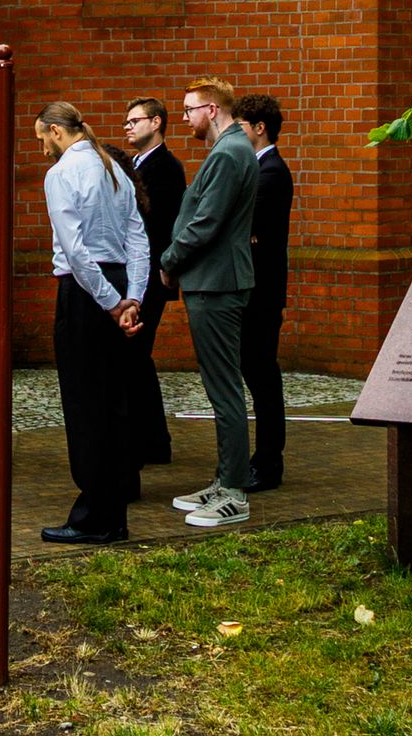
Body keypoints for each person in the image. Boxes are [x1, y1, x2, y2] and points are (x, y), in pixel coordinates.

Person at [35, 101, 148, 548]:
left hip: (86, 293)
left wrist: (113, 304)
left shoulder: (62, 173)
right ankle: (112, 512)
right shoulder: (114, 169)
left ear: (57, 131)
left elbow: (75, 249)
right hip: (116, 282)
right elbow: (138, 239)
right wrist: (132, 297)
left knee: (86, 405)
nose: (42, 147)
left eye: (42, 137)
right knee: (114, 403)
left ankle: (95, 515)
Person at [159, 78, 260, 531]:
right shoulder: (232, 149)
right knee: (222, 387)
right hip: (214, 280)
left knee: (223, 390)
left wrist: (170, 260)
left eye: (189, 110)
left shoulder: (228, 152)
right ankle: (224, 480)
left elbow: (206, 221)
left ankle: (234, 493)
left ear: (213, 110)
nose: (184, 118)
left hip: (217, 283)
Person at [232, 92, 294, 494]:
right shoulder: (258, 168)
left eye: (240, 126)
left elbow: (245, 224)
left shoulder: (270, 172)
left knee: (262, 378)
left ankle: (269, 463)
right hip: (255, 289)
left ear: (259, 128)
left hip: (262, 293)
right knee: (256, 374)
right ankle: (263, 459)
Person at [120, 97, 185, 464]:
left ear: (156, 122)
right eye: (127, 122)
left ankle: (149, 441)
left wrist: (164, 268)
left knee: (135, 354)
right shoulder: (135, 164)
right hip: (136, 273)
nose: (128, 127)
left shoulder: (166, 167)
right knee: (136, 358)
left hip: (150, 275)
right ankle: (153, 439)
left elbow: (158, 224)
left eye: (135, 120)